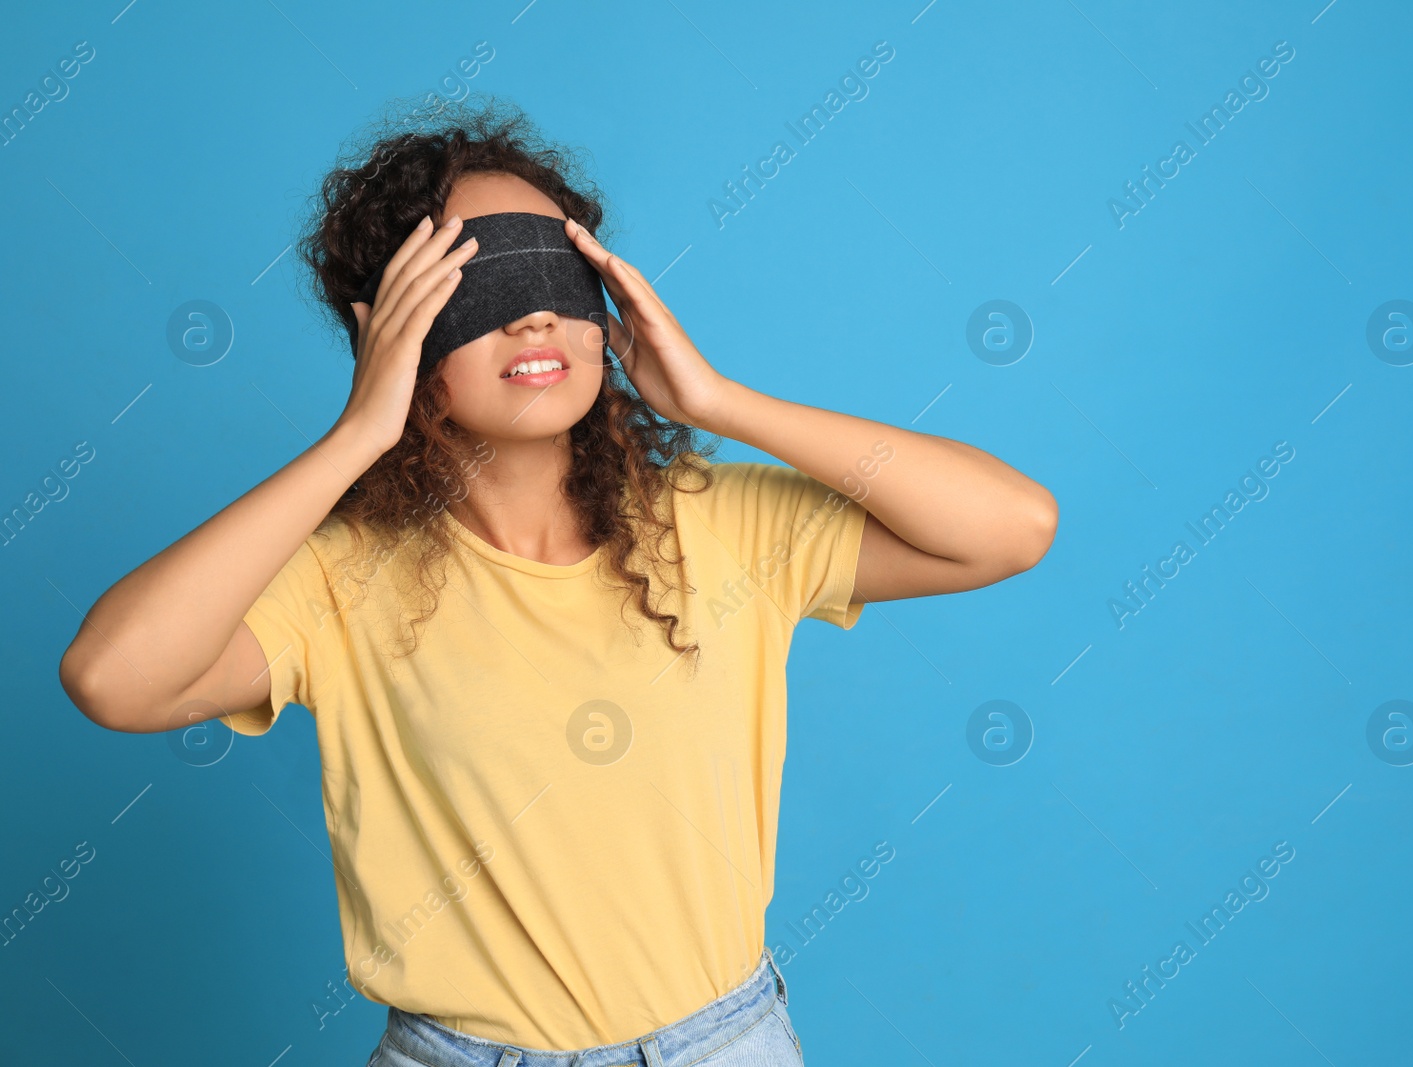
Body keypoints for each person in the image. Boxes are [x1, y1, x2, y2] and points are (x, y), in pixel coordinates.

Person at [57, 101, 1057, 1066]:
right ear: (388, 328)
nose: (531, 311)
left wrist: (722, 401)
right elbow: (114, 677)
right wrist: (361, 429)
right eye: (473, 281)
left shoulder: (721, 521)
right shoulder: (336, 575)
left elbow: (1012, 527)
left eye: (555, 272)